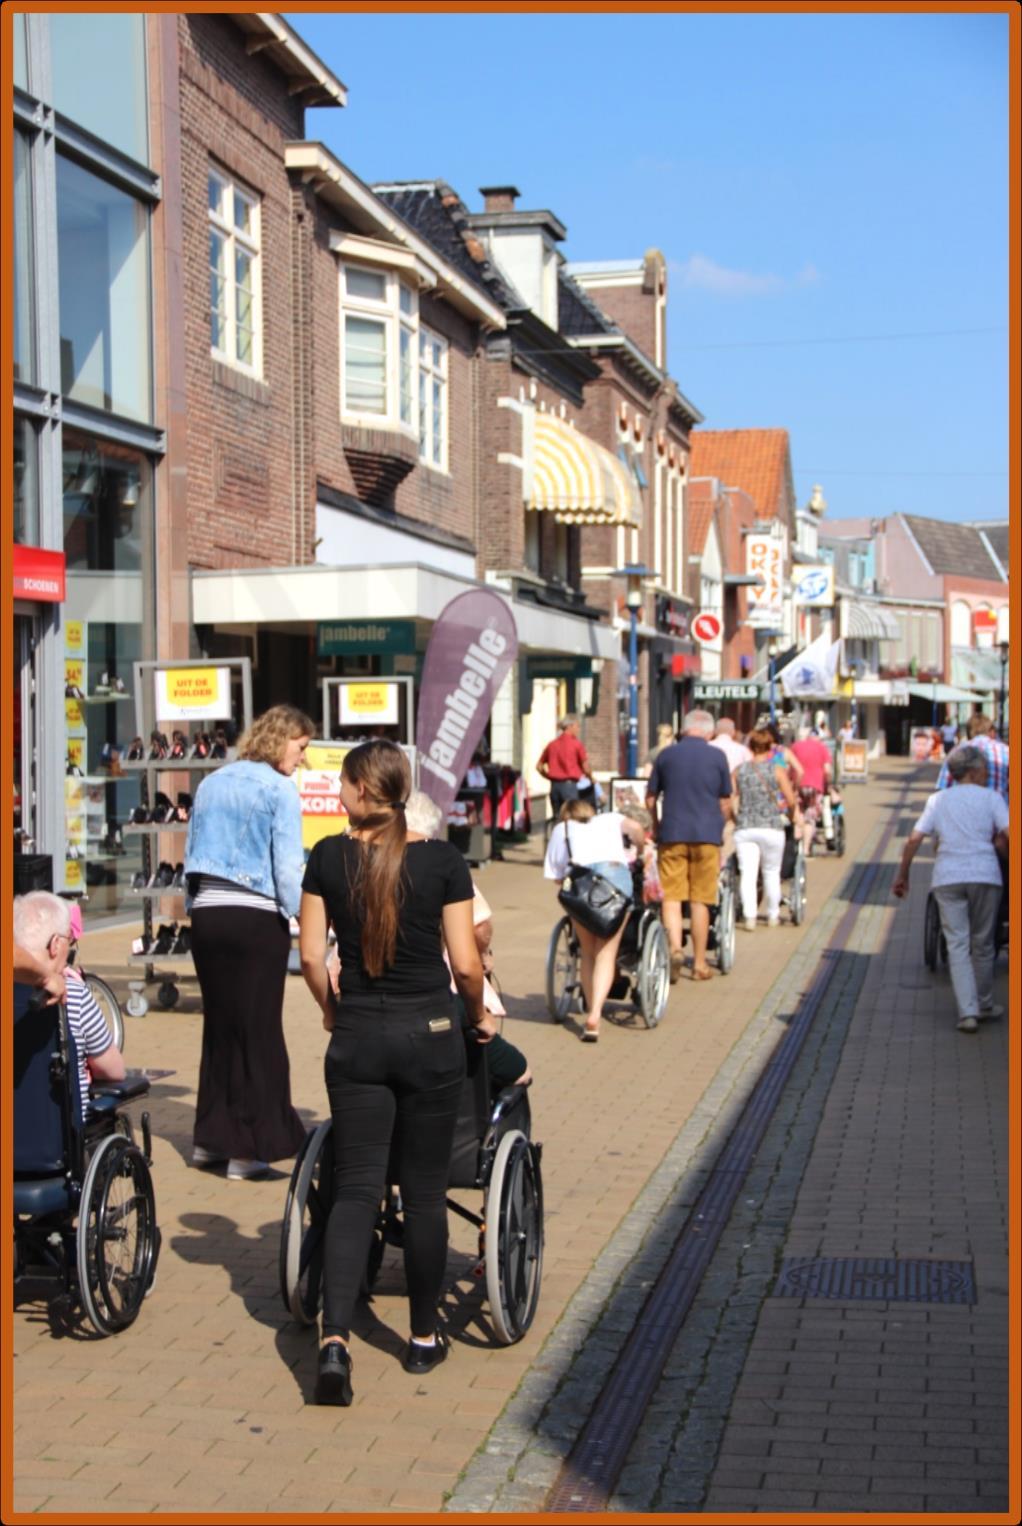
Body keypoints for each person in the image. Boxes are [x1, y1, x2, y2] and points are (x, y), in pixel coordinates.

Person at [299, 741, 495, 1405]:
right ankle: (419, 1336)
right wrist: (475, 1017)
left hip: (357, 1038)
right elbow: (467, 965)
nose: (337, 792)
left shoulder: (328, 857)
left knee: (355, 1190)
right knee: (424, 1191)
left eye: (342, 782)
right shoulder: (442, 861)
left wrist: (332, 1012)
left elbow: (307, 957)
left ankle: (334, 1343)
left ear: (360, 789)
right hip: (430, 1035)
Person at [184, 703, 313, 1181]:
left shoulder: (212, 781)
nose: (302, 759)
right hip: (254, 919)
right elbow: (285, 872)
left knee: (220, 1028)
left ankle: (209, 1142)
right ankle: (249, 1150)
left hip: (209, 919)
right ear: (281, 740)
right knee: (259, 1032)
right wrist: (308, 917)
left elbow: (191, 855)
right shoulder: (279, 790)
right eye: (301, 748)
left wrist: (195, 910)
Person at [893, 746, 1009, 1033]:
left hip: (948, 877)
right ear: (972, 772)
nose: (986, 774)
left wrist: (903, 874)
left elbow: (914, 838)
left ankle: (968, 1013)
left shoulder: (938, 800)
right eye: (983, 769)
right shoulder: (992, 798)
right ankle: (983, 1003)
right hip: (985, 875)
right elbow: (1009, 834)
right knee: (983, 943)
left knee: (957, 943)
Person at [13, 891, 125, 1111]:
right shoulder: (72, 994)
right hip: (59, 1137)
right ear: (55, 944)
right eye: (69, 940)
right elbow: (114, 1071)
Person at [543, 797, 645, 1040]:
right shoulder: (609, 818)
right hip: (615, 879)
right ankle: (596, 1013)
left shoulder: (561, 829)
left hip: (583, 884)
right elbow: (638, 829)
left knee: (588, 952)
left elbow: (556, 875)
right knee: (606, 953)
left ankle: (591, 1011)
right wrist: (638, 849)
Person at [646, 709, 733, 983]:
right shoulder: (717, 756)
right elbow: (725, 802)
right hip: (707, 836)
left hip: (672, 833)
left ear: (684, 730)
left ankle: (674, 950)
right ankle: (698, 964)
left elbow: (650, 798)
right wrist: (720, 826)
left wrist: (657, 825)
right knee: (701, 900)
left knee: (671, 897)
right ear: (708, 732)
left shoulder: (666, 755)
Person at [732, 730, 802, 931]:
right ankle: (773, 914)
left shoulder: (739, 770)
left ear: (750, 747)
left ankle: (750, 916)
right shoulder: (777, 771)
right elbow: (790, 800)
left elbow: (729, 799)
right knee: (771, 872)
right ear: (770, 747)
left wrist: (737, 819)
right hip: (772, 827)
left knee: (748, 874)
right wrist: (789, 816)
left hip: (746, 827)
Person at [936, 712, 1009, 802]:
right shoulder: (1006, 751)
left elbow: (943, 790)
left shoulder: (955, 752)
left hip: (961, 812)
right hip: (1001, 812)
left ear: (968, 734)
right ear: (992, 732)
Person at [790, 728, 837, 856]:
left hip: (798, 785)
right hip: (815, 786)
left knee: (798, 813)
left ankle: (796, 844)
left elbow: (788, 766)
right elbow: (827, 770)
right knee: (810, 817)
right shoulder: (822, 748)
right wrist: (829, 785)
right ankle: (805, 849)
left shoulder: (795, 746)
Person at [536, 715, 591, 817]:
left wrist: (548, 776)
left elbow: (539, 766)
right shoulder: (576, 744)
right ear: (570, 726)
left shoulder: (552, 744)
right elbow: (586, 768)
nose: (578, 729)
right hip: (569, 787)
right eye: (577, 726)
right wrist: (591, 778)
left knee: (557, 817)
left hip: (554, 786)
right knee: (573, 817)